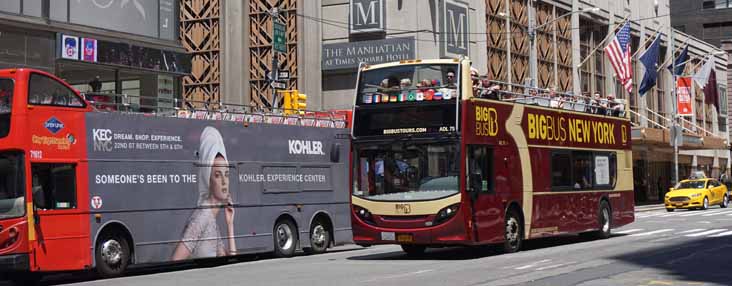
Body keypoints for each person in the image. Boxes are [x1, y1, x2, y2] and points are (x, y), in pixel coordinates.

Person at [172, 127, 237, 260]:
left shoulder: (211, 218)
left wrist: (230, 225)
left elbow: (231, 261)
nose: (225, 181)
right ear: (208, 179)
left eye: (227, 174)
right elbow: (175, 261)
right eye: (218, 175)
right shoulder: (202, 217)